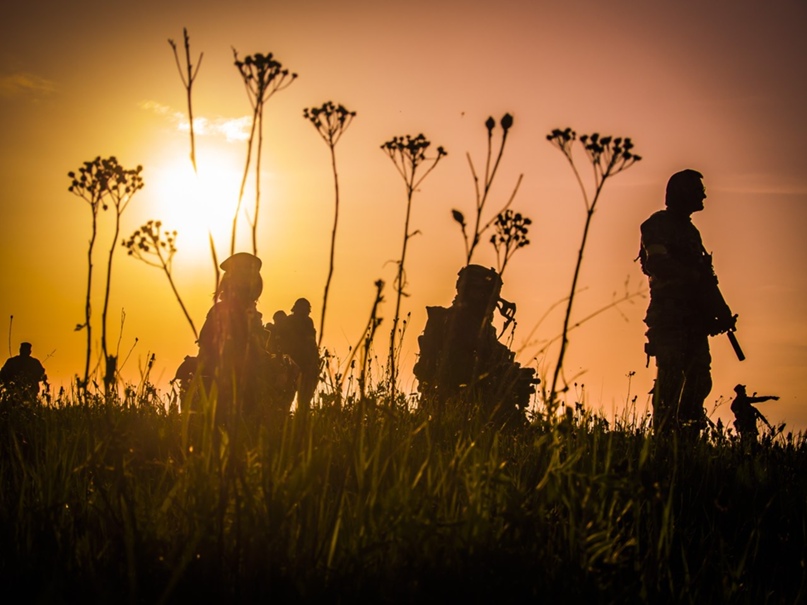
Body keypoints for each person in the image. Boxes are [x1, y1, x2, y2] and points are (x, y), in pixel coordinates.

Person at [639, 169, 737, 437]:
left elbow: (705, 278)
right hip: (670, 317)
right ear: (682, 193)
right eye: (697, 190)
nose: (703, 195)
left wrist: (720, 311)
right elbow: (657, 263)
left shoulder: (691, 232)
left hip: (693, 320)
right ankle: (663, 435)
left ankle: (687, 435)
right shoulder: (657, 225)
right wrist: (691, 277)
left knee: (699, 379)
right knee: (670, 378)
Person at [413, 264, 537, 426]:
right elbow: (461, 374)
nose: (494, 305)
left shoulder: (482, 330)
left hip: (475, 409)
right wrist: (504, 376)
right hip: (459, 411)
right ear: (476, 294)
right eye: (491, 297)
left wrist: (514, 377)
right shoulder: (457, 324)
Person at [281, 298, 320, 414]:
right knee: (292, 398)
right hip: (295, 364)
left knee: (301, 400)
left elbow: (311, 343)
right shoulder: (294, 322)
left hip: (304, 364)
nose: (308, 312)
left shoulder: (306, 322)